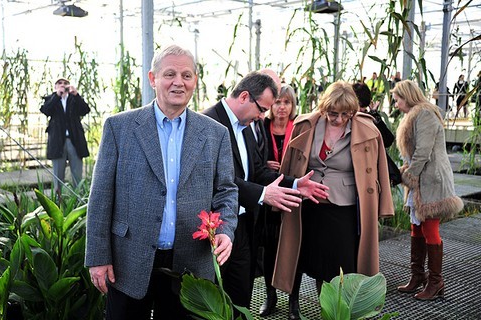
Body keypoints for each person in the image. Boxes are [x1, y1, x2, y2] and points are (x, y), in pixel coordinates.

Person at [84, 45, 239, 320]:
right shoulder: (119, 128)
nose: (178, 82)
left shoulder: (215, 134)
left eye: (186, 75)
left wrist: (225, 229)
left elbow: (226, 190)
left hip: (190, 261)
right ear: (153, 78)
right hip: (128, 259)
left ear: (195, 80)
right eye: (170, 74)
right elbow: (100, 197)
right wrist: (97, 257)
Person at [201, 71, 329, 311]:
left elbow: (257, 171)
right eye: (261, 108)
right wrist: (261, 195)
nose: (263, 116)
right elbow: (216, 181)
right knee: (213, 299)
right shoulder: (208, 123)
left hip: (246, 225)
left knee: (241, 296)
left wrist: (294, 184)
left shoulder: (247, 125)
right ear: (244, 97)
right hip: (215, 227)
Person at [272, 82, 394, 318]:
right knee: (308, 259)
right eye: (333, 114)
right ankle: (305, 305)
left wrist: (383, 206)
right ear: (324, 108)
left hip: (343, 209)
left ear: (353, 111)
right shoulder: (306, 125)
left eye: (345, 115)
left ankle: (335, 311)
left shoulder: (368, 131)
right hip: (308, 206)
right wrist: (282, 194)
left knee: (340, 266)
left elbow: (380, 171)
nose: (338, 119)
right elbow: (289, 164)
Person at [391, 80, 464, 301]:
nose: (395, 104)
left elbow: (423, 152)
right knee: (416, 227)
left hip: (430, 181)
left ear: (408, 96)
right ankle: (418, 276)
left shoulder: (424, 115)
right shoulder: (414, 115)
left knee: (430, 229)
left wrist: (409, 176)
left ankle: (435, 281)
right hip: (420, 181)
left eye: (397, 99)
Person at [257, 84, 301, 318]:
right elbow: (253, 159)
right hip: (270, 196)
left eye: (287, 102)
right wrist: (264, 164)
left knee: (296, 249)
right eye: (277, 102)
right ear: (270, 105)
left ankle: (294, 301)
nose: (282, 107)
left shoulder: (300, 128)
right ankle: (270, 295)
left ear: (293, 106)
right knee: (271, 249)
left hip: (294, 196)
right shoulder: (262, 127)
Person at [40, 77, 90, 192]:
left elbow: (85, 110)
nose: (63, 85)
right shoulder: (51, 99)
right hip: (58, 142)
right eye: (60, 83)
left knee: (77, 175)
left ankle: (78, 201)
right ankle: (58, 202)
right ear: (55, 86)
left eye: (66, 83)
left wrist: (76, 95)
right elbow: (46, 110)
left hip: (74, 141)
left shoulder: (74, 99)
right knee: (58, 176)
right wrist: (57, 96)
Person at [352, 82, 401, 186]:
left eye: (364, 108)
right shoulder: (344, 120)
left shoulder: (369, 118)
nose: (361, 111)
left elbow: (388, 140)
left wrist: (374, 116)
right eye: (359, 107)